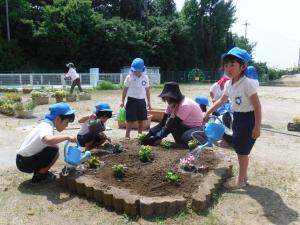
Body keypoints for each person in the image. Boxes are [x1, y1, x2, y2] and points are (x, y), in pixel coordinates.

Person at [203, 47, 262, 189]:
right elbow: (221, 101)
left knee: (242, 152)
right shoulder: (229, 84)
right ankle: (244, 176)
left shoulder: (247, 84)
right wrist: (207, 113)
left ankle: (240, 181)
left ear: (243, 67)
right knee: (240, 150)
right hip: (238, 118)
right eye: (226, 65)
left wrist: (257, 126)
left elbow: (257, 106)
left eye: (232, 65)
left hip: (248, 120)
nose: (228, 68)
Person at [16, 102, 76, 185]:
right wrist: (67, 136)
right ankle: (39, 176)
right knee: (54, 149)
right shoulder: (46, 127)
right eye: (66, 122)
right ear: (58, 119)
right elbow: (48, 140)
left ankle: (40, 173)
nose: (67, 126)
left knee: (54, 147)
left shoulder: (45, 124)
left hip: (22, 160)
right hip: (25, 163)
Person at [142, 82, 206, 147]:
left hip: (197, 129)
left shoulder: (185, 105)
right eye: (165, 97)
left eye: (168, 97)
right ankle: (182, 144)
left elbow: (173, 124)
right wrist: (150, 133)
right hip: (185, 127)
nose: (166, 99)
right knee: (170, 125)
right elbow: (162, 123)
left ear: (174, 96)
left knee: (185, 136)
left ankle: (198, 144)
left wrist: (157, 137)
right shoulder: (172, 104)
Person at [120, 58, 151, 139]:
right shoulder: (129, 77)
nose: (135, 72)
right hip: (131, 100)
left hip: (141, 101)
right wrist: (122, 101)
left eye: (137, 71)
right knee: (131, 119)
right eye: (134, 70)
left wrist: (149, 102)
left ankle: (140, 135)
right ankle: (127, 135)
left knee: (141, 119)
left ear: (142, 70)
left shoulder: (145, 78)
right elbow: (125, 90)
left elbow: (147, 90)